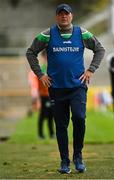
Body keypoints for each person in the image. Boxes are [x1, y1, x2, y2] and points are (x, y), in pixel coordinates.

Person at [26, 4, 105, 173]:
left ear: (71, 16)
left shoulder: (82, 33)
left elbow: (100, 49)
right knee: (61, 126)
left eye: (66, 14)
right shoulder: (47, 35)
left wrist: (91, 70)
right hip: (56, 88)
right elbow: (30, 52)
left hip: (77, 87)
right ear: (56, 17)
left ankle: (78, 156)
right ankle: (64, 161)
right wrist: (40, 75)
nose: (64, 16)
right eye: (60, 14)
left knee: (78, 118)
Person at [38, 51, 54, 139]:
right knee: (43, 114)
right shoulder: (42, 69)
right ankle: (40, 134)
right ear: (44, 57)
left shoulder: (51, 67)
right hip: (44, 95)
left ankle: (51, 133)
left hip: (51, 94)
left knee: (51, 114)